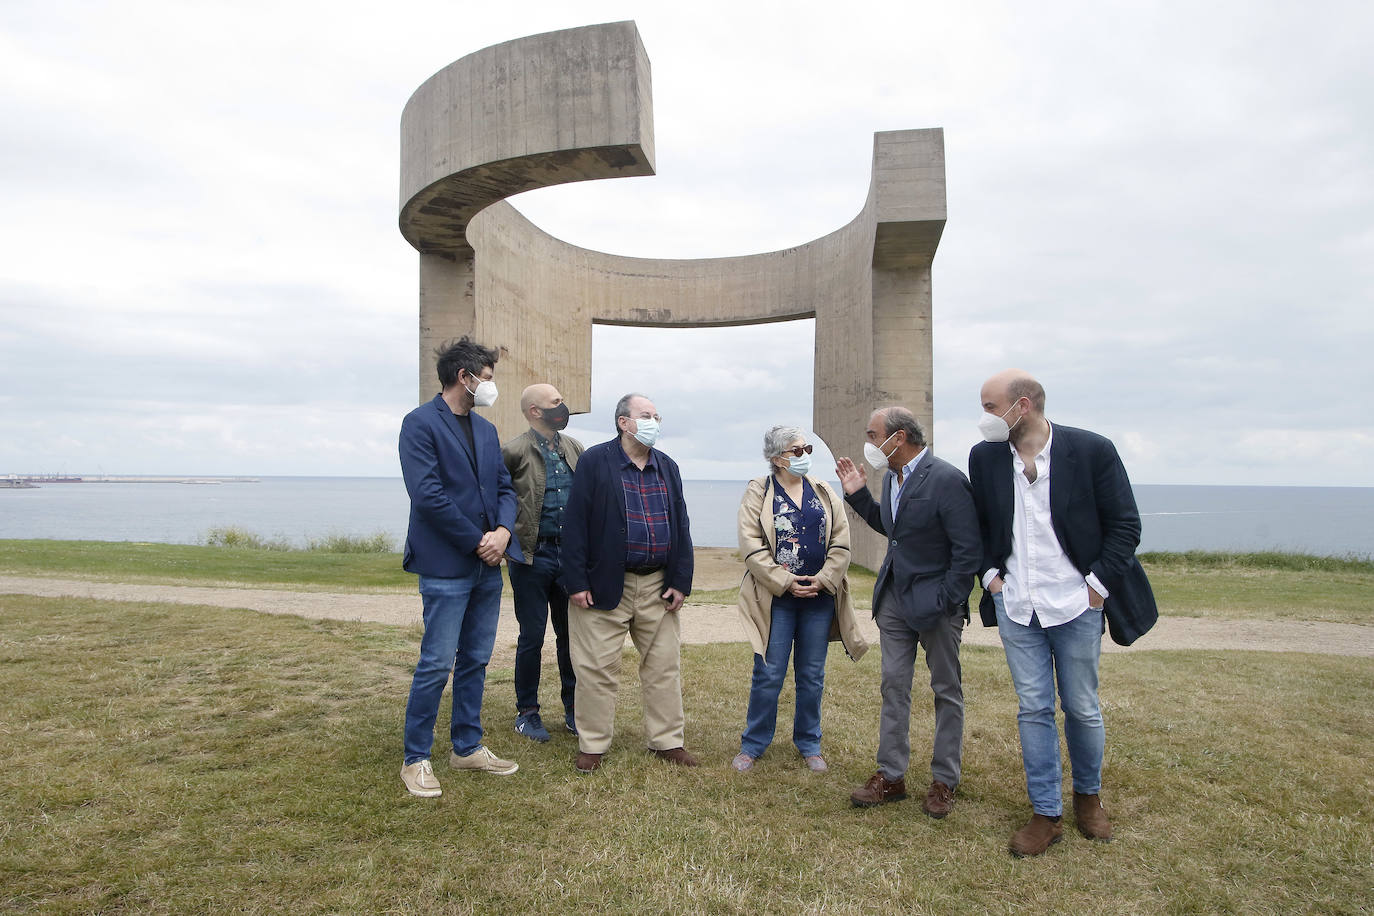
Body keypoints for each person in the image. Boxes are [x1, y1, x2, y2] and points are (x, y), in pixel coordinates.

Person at [969, 369, 1158, 856]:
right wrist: (991, 577)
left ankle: (1087, 798)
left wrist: (1095, 588)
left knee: (1081, 707)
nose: (984, 417)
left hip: (1077, 603)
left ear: (1023, 405)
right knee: (1033, 708)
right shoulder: (985, 457)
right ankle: (1045, 812)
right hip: (1017, 605)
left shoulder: (1092, 450)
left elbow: (1125, 526)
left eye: (991, 407)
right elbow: (983, 526)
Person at [835, 406, 980, 819]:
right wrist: (859, 495)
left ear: (897, 438)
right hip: (895, 601)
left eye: (872, 433)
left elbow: (967, 550)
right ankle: (891, 776)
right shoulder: (893, 477)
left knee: (946, 690)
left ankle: (943, 781)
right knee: (893, 686)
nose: (868, 442)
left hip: (937, 606)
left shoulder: (947, 479)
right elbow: (894, 528)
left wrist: (947, 599)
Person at [397, 337, 524, 798]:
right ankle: (416, 758)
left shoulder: (487, 431)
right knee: (436, 662)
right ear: (464, 378)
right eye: (487, 378)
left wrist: (504, 533)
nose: (491, 387)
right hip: (447, 562)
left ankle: (466, 746)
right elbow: (428, 496)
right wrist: (478, 542)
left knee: (476, 658)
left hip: (489, 564)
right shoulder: (419, 424)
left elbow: (505, 489)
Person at [559, 393, 696, 773]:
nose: (654, 421)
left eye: (657, 415)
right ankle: (593, 744)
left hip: (657, 586)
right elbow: (574, 524)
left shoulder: (667, 466)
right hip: (603, 585)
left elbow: (680, 526)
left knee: (664, 666)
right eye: (645, 415)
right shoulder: (594, 462)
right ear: (623, 422)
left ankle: (667, 741)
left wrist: (680, 580)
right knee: (596, 669)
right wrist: (575, 581)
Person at [733, 426, 868, 774]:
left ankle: (809, 743)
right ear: (777, 457)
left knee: (812, 675)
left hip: (819, 600)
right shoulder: (759, 491)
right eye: (797, 450)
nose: (804, 455)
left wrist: (823, 580)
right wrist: (784, 582)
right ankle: (753, 744)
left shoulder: (822, 491)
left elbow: (841, 541)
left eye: (806, 448)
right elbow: (751, 544)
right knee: (769, 673)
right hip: (776, 599)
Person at [501, 383, 584, 742]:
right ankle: (527, 713)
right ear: (535, 411)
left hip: (570, 557)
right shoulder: (513, 451)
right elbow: (499, 499)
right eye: (556, 403)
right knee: (532, 636)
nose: (562, 407)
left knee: (571, 637)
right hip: (530, 557)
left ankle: (574, 709)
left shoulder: (576, 449)